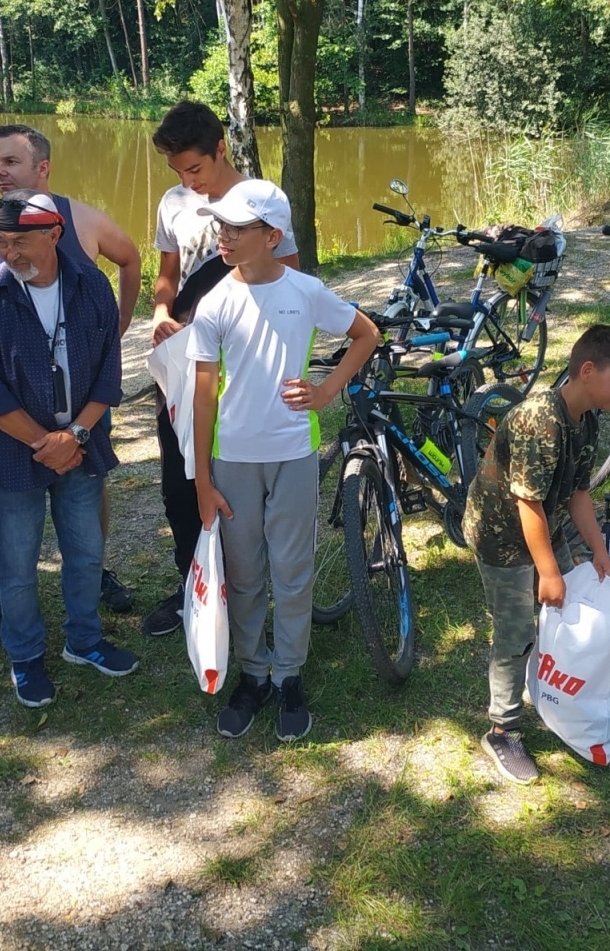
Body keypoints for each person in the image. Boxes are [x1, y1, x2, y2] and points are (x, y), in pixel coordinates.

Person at [189, 179, 377, 740]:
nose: (223, 236)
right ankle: (254, 673)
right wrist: (202, 479)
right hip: (233, 460)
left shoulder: (306, 291)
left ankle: (289, 673)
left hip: (293, 453)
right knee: (245, 573)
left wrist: (327, 391)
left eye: (236, 228)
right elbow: (203, 394)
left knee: (292, 571)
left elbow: (366, 334)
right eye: (220, 226)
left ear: (272, 236)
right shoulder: (214, 302)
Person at [0, 123, 142, 628]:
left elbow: (130, 259)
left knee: (87, 479)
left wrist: (119, 326)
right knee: (10, 499)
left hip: (80, 399)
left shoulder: (82, 218)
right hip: (13, 401)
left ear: (42, 167)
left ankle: (93, 572)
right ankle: (10, 590)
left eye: (10, 161)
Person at [142, 101, 300, 638]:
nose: (189, 182)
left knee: (233, 478)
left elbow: (288, 279)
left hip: (240, 365)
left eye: (195, 168)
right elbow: (167, 273)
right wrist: (161, 312)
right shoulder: (173, 202)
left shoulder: (260, 200)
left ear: (220, 149)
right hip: (180, 362)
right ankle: (195, 584)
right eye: (178, 172)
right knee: (179, 479)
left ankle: (246, 590)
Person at [463, 324, 610, 786]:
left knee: (565, 605)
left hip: (546, 524)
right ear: (588, 370)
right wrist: (547, 571)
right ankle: (502, 729)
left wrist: (598, 549)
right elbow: (528, 504)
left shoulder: (587, 418)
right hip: (501, 537)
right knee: (515, 631)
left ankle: (550, 686)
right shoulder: (540, 422)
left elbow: (578, 493)